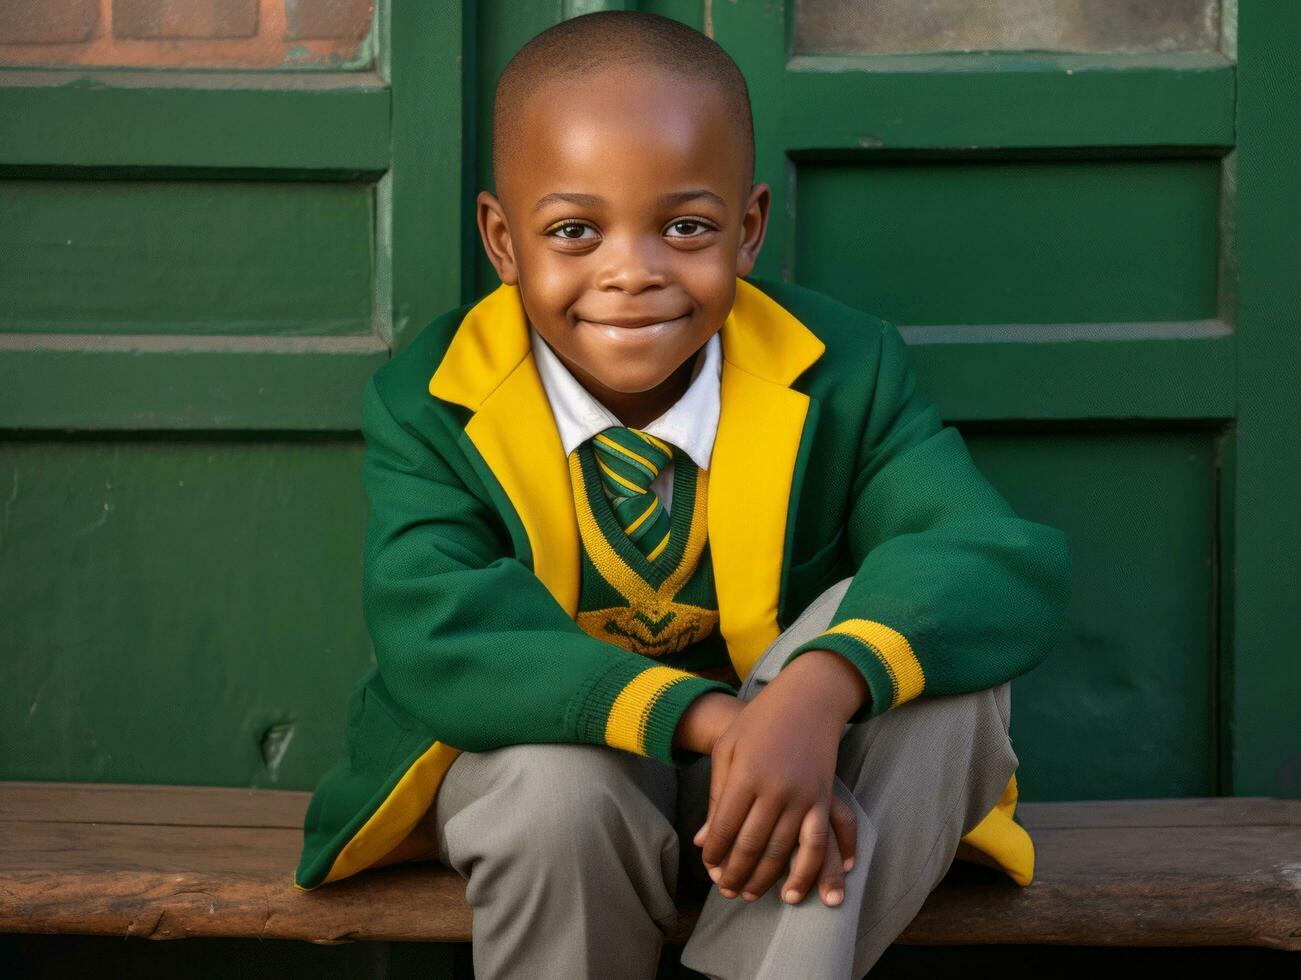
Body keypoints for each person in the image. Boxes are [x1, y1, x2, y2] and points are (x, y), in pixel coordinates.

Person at [292, 11, 1071, 979]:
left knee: (940, 678)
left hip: (781, 786)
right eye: (573, 231)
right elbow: (438, 629)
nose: (631, 271)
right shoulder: (433, 400)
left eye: (686, 226)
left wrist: (814, 692)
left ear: (745, 231)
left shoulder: (843, 368)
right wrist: (716, 719)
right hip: (556, 780)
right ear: (502, 240)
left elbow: (989, 555)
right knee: (556, 792)